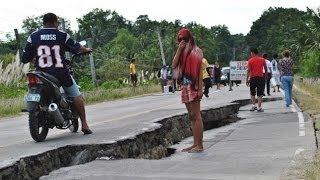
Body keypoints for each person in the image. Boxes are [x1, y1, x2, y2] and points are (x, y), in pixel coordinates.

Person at [21, 13, 92, 134]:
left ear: (44, 23)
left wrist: (34, 58)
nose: (58, 25)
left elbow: (24, 58)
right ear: (54, 22)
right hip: (60, 72)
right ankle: (84, 124)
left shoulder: (33, 36)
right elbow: (77, 47)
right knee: (76, 95)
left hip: (40, 73)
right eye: (58, 23)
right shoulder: (62, 35)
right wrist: (87, 49)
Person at [172, 28, 204, 153]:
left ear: (189, 38)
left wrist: (200, 89)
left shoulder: (196, 51)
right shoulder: (181, 51)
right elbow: (174, 65)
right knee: (191, 116)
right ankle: (195, 143)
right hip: (184, 85)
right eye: (180, 40)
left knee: (197, 115)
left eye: (184, 39)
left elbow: (200, 72)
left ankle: (200, 145)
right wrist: (179, 49)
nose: (182, 41)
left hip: (194, 85)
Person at [246, 48, 268, 112]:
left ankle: (254, 106)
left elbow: (248, 70)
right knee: (260, 93)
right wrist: (266, 76)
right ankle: (259, 107)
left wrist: (247, 79)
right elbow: (266, 68)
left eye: (251, 53)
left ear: (253, 53)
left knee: (252, 92)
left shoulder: (250, 60)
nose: (250, 54)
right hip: (260, 78)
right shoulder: (262, 59)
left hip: (252, 78)